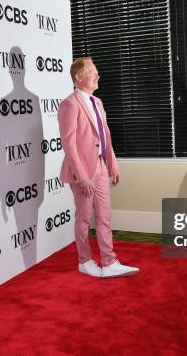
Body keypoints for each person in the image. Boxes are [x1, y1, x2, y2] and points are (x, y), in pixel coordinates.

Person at [57, 57, 139, 278]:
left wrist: (113, 164)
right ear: (79, 77)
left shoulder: (98, 102)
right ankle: (84, 261)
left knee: (104, 216)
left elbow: (105, 137)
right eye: (93, 71)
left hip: (101, 166)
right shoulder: (70, 104)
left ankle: (109, 261)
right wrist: (82, 176)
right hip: (82, 172)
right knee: (84, 218)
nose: (98, 75)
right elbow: (69, 143)